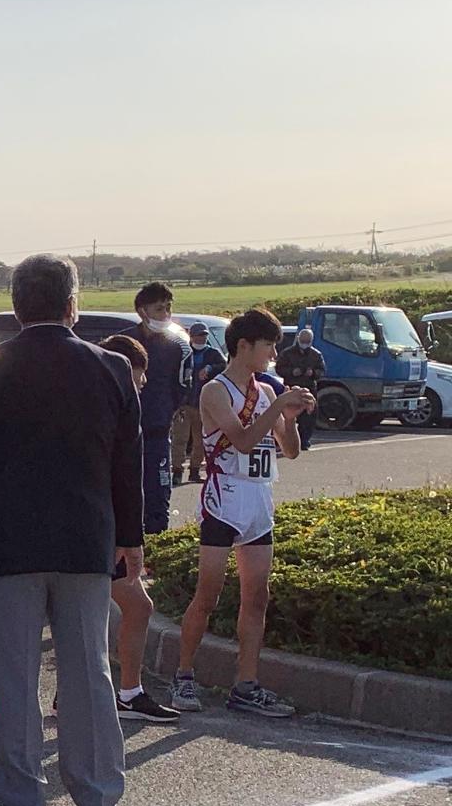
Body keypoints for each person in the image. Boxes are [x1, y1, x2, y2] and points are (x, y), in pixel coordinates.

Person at [0, 254, 142, 806]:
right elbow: (128, 465)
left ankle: (20, 797)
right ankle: (97, 794)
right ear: (73, 304)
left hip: (9, 541)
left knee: (14, 673)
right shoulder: (113, 368)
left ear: (16, 308)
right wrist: (131, 536)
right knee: (88, 668)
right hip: (87, 539)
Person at [171, 309, 314, 718]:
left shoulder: (267, 391)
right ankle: (183, 674)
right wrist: (278, 404)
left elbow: (290, 450)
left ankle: (246, 684)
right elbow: (244, 441)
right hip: (224, 502)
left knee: (257, 597)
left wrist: (289, 417)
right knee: (209, 594)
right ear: (244, 346)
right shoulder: (215, 391)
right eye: (268, 346)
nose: (273, 354)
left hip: (258, 502)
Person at [98, 335, 181, 723]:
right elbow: (121, 480)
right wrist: (129, 539)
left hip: (104, 530)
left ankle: (81, 693)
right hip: (101, 533)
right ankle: (128, 693)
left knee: (93, 612)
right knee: (134, 606)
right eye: (138, 374)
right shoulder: (109, 412)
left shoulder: (111, 408)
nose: (143, 382)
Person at [122, 282, 186, 534]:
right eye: (159, 309)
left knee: (158, 493)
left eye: (168, 308)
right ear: (142, 311)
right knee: (126, 494)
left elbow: (181, 386)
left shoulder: (175, 345)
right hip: (126, 432)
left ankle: (157, 538)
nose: (165, 314)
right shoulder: (124, 344)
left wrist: (169, 410)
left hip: (158, 431)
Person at [171, 323, 221, 484]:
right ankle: (177, 471)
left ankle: (195, 470)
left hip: (203, 404)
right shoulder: (184, 352)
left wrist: (210, 368)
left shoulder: (213, 353)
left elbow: (224, 367)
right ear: (191, 336)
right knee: (180, 439)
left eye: (204, 335)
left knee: (200, 441)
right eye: (199, 335)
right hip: (184, 404)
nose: (202, 338)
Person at [275, 326, 323, 449]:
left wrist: (313, 373)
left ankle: (304, 440)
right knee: (288, 414)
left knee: (309, 416)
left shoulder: (316, 354)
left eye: (307, 341)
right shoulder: (287, 353)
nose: (304, 344)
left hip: (309, 387)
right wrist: (291, 371)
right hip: (291, 387)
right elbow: (279, 368)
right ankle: (284, 440)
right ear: (298, 338)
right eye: (303, 341)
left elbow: (322, 370)